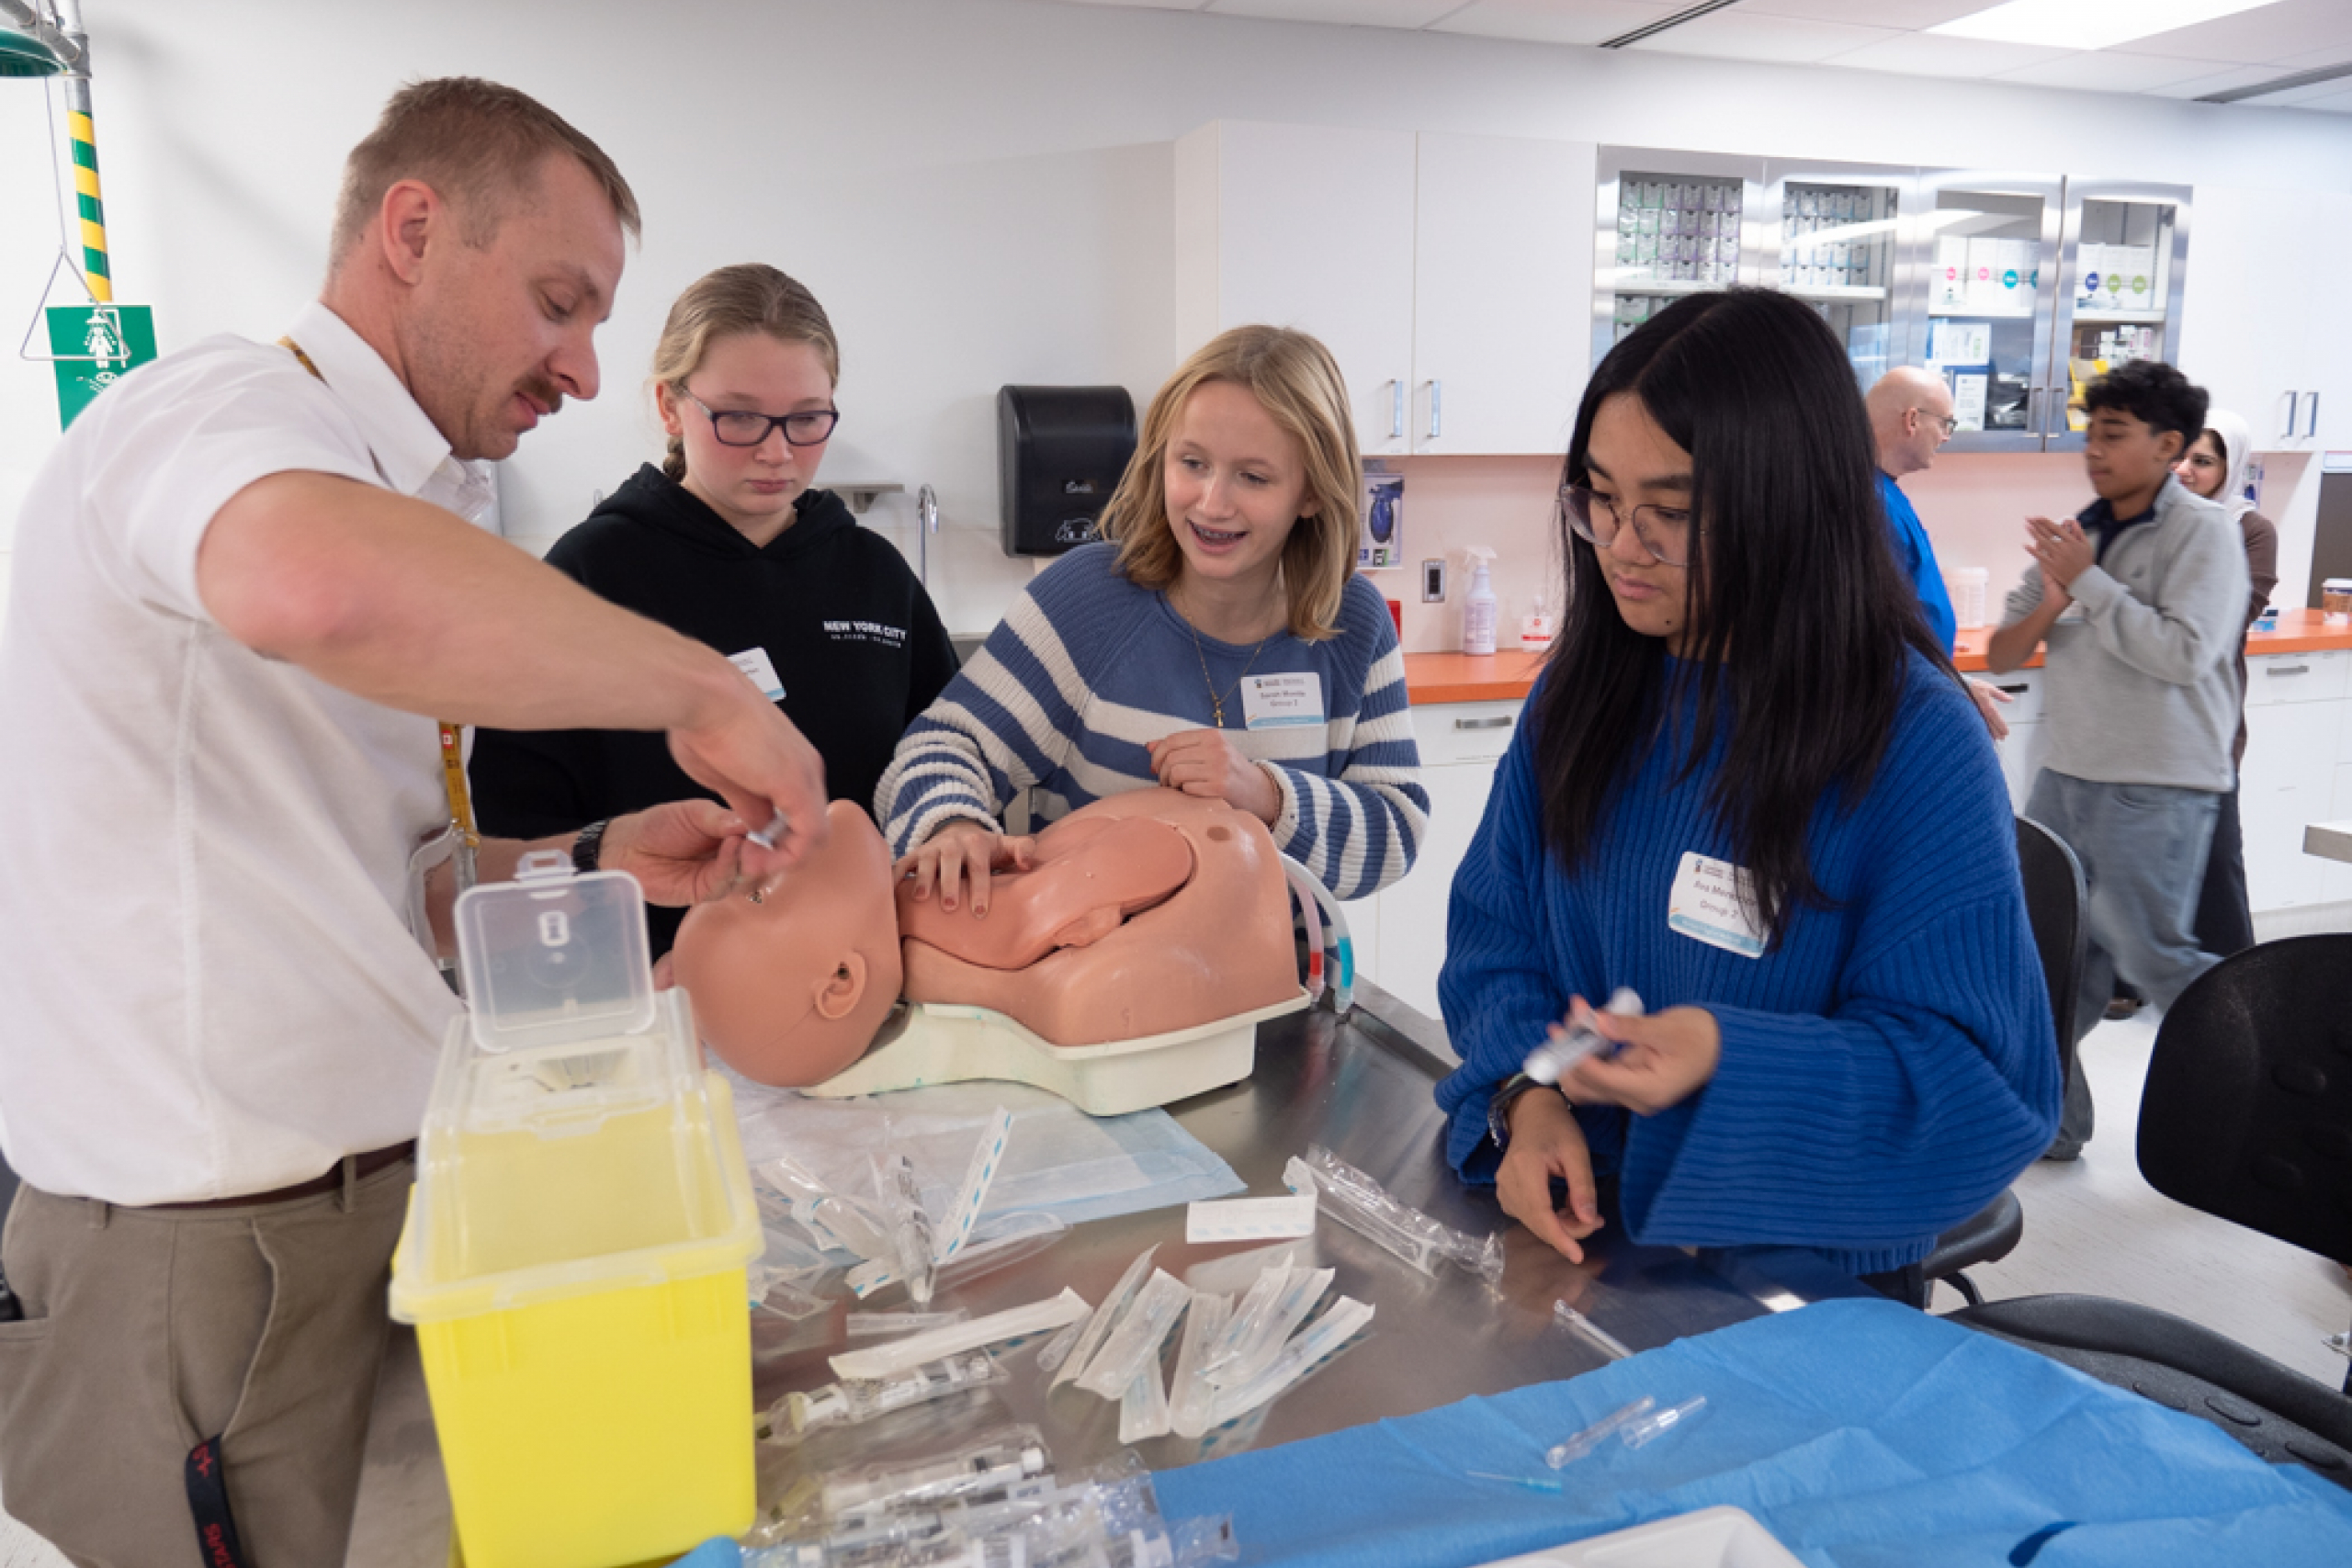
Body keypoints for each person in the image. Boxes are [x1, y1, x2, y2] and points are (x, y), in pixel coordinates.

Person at [0, 80, 828, 1568]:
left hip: (372, 1202)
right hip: (202, 1246)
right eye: (558, 304)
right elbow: (310, 584)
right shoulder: (216, 410)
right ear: (414, 228)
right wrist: (703, 692)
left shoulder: (423, 498)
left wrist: (590, 861)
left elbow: (404, 886)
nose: (582, 369)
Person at [1433, 290, 2055, 1305]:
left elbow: (1976, 1087)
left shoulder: (1909, 738)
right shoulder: (1588, 688)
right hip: (1580, 1233)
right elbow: (1496, 942)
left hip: (1799, 1277)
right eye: (1600, 498)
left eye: (1670, 514)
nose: (1623, 544)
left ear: (1789, 506)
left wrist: (1726, 1056)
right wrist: (1523, 1097)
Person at [470, 265, 956, 955]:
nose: (777, 449)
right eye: (740, 416)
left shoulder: (873, 574)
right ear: (671, 407)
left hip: (862, 976)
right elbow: (516, 830)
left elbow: (945, 761)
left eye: (807, 418)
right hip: (665, 998)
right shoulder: (592, 575)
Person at [876, 324, 1426, 912]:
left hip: (1279, 982)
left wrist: (1264, 795)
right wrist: (953, 826)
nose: (1212, 504)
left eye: (1254, 477)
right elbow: (939, 747)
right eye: (1193, 463)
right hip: (1091, 980)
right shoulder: (1086, 600)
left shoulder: (1352, 620)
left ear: (1312, 492)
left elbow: (1396, 830)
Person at [1987, 360, 2245, 1160]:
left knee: (2155, 957)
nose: (2093, 448)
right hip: (2065, 777)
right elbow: (2004, 649)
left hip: (2157, 783)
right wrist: (2060, 597)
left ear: (2169, 445)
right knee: (2052, 967)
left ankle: (2287, 1090)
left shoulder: (2205, 533)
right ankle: (2055, 1128)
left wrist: (2088, 586)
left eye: (2114, 433)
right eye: (2090, 431)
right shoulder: (2080, 532)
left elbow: (2186, 653)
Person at [2174, 410, 2277, 959]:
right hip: (2137, 713)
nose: (2185, 470)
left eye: (2203, 461)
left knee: (2215, 853)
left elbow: (2229, 614)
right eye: (2180, 456)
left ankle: (2234, 977)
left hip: (2206, 719)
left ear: (2229, 467)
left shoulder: (2250, 530)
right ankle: (2122, 977)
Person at [1865, 366, 2012, 739]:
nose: (1947, 437)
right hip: (1891, 710)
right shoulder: (1869, 504)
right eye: (1946, 423)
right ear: (1912, 420)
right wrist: (1947, 689)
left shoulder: (1884, 492)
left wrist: (1951, 683)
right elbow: (1878, 634)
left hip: (1912, 695)